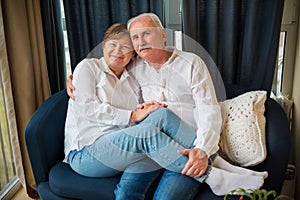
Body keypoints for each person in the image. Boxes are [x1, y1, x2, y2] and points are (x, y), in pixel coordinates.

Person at [66, 14, 268, 199]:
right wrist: (131, 115)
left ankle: (213, 161)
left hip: (185, 145)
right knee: (129, 186)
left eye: (146, 34)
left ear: (163, 35)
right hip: (136, 145)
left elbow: (209, 110)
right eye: (135, 38)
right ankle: (215, 175)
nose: (139, 42)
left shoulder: (188, 64)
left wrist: (202, 150)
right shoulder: (118, 68)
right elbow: (90, 104)